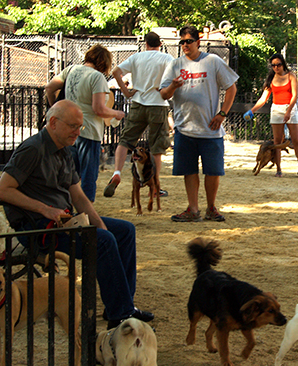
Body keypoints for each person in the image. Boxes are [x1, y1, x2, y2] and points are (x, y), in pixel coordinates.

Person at [0, 100, 154, 329]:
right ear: (53, 123)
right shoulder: (33, 149)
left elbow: (78, 196)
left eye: (80, 127)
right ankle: (122, 316)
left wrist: (99, 223)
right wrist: (45, 209)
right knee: (104, 242)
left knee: (124, 231)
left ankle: (120, 305)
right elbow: (3, 189)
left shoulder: (65, 150)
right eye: (73, 126)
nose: (78, 132)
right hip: (38, 228)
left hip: (64, 221)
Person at [160, 25, 238, 222]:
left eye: (188, 41)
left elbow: (231, 88)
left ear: (198, 42)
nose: (185, 45)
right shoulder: (175, 64)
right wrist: (173, 86)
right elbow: (163, 94)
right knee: (189, 170)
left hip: (210, 129)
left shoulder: (212, 61)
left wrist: (222, 113)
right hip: (185, 127)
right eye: (182, 42)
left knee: (212, 171)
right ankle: (193, 209)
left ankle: (211, 207)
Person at [45, 44, 125, 202]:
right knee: (89, 177)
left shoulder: (71, 70)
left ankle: (63, 206)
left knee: (68, 175)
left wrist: (55, 108)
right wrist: (117, 113)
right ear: (104, 63)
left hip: (67, 131)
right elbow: (99, 109)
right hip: (88, 131)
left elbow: (49, 87)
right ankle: (87, 214)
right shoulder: (97, 77)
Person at [103, 31, 174, 198]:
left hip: (138, 103)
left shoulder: (136, 57)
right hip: (158, 104)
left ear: (145, 44)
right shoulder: (166, 58)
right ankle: (155, 187)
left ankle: (117, 173)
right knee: (156, 147)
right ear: (160, 44)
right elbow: (177, 75)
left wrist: (126, 92)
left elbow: (115, 72)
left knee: (126, 140)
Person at [245, 54, 298, 178]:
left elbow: (294, 95)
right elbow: (263, 98)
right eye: (273, 65)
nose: (276, 67)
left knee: (296, 140)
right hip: (276, 108)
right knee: (277, 141)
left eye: (278, 64)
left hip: (290, 107)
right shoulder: (271, 79)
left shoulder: (291, 76)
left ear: (283, 64)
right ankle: (279, 169)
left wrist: (288, 111)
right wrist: (251, 111)